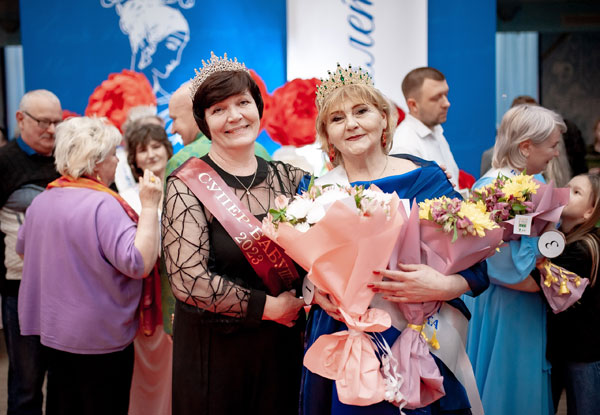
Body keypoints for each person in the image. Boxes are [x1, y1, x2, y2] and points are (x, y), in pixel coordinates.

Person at [302, 64, 489, 415]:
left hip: (420, 331)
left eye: (361, 111)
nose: (351, 124)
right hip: (343, 333)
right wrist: (314, 290)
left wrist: (444, 285)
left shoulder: (426, 178)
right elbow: (306, 267)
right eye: (337, 118)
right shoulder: (315, 192)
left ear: (385, 119)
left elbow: (476, 261)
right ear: (327, 136)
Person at [162, 53, 306, 415]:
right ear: (204, 122)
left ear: (257, 107)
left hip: (280, 348)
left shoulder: (290, 179)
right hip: (216, 354)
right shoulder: (186, 184)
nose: (235, 116)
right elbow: (188, 279)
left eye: (243, 103)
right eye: (218, 109)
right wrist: (269, 308)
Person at [16, 116, 162, 415]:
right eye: (112, 155)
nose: (116, 161)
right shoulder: (104, 205)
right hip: (100, 338)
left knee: (62, 402)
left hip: (54, 332)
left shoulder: (43, 200)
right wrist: (149, 206)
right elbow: (139, 263)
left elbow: (23, 251)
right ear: (96, 162)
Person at [464, 104, 567, 415]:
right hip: (506, 303)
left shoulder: (533, 180)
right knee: (508, 380)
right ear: (526, 147)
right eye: (552, 145)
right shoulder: (492, 189)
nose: (556, 153)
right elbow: (492, 259)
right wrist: (538, 278)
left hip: (525, 300)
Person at [161, 80, 272, 336]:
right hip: (268, 305)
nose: (173, 128)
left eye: (175, 118)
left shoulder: (182, 162)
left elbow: (176, 255)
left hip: (212, 313)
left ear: (196, 114)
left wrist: (172, 316)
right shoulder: (260, 150)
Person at [0, 89, 62, 414]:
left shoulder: (67, 157)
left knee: (64, 382)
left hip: (68, 291)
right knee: (26, 384)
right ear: (20, 119)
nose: (51, 130)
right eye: (43, 122)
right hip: (19, 290)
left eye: (57, 122)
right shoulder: (4, 162)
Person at [121, 122, 173, 415]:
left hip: (178, 293)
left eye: (156, 146)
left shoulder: (183, 188)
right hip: (142, 295)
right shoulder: (127, 197)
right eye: (143, 150)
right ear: (134, 159)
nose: (151, 154)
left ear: (167, 149)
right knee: (143, 369)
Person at [540, 173, 600, 415]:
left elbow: (535, 283)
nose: (567, 193)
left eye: (577, 193)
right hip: (560, 349)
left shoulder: (584, 248)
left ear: (589, 212)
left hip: (583, 354)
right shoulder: (560, 237)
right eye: (567, 187)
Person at [390, 67, 459, 188]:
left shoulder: (435, 131)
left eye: (446, 94)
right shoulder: (403, 146)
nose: (446, 103)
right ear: (413, 105)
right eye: (436, 98)